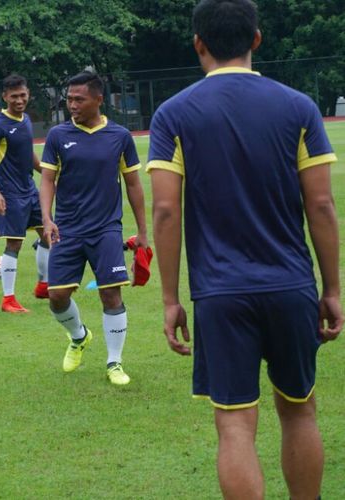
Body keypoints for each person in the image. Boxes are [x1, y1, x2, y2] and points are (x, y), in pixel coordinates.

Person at [148, 1, 342, 498]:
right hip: (292, 285)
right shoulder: (298, 106)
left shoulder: (173, 114)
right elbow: (320, 204)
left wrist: (171, 299)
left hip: (220, 293)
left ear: (198, 43)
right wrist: (333, 287)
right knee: (300, 411)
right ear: (257, 39)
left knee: (235, 426)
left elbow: (167, 212)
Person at [39, 72, 147, 385]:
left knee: (110, 294)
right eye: (69, 99)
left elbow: (133, 184)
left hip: (106, 229)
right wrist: (47, 218)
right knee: (57, 295)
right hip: (68, 229)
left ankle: (115, 362)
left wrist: (142, 231)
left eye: (79, 99)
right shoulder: (58, 136)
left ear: (98, 99)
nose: (72, 104)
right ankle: (79, 336)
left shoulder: (119, 136)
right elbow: (47, 180)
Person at [0, 74, 49, 313]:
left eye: (23, 95)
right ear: (5, 97)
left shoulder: (26, 120)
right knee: (14, 245)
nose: (19, 100)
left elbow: (28, 154)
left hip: (30, 188)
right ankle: (8, 299)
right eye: (14, 96)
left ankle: (43, 285)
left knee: (48, 234)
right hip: (10, 192)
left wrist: (47, 173)